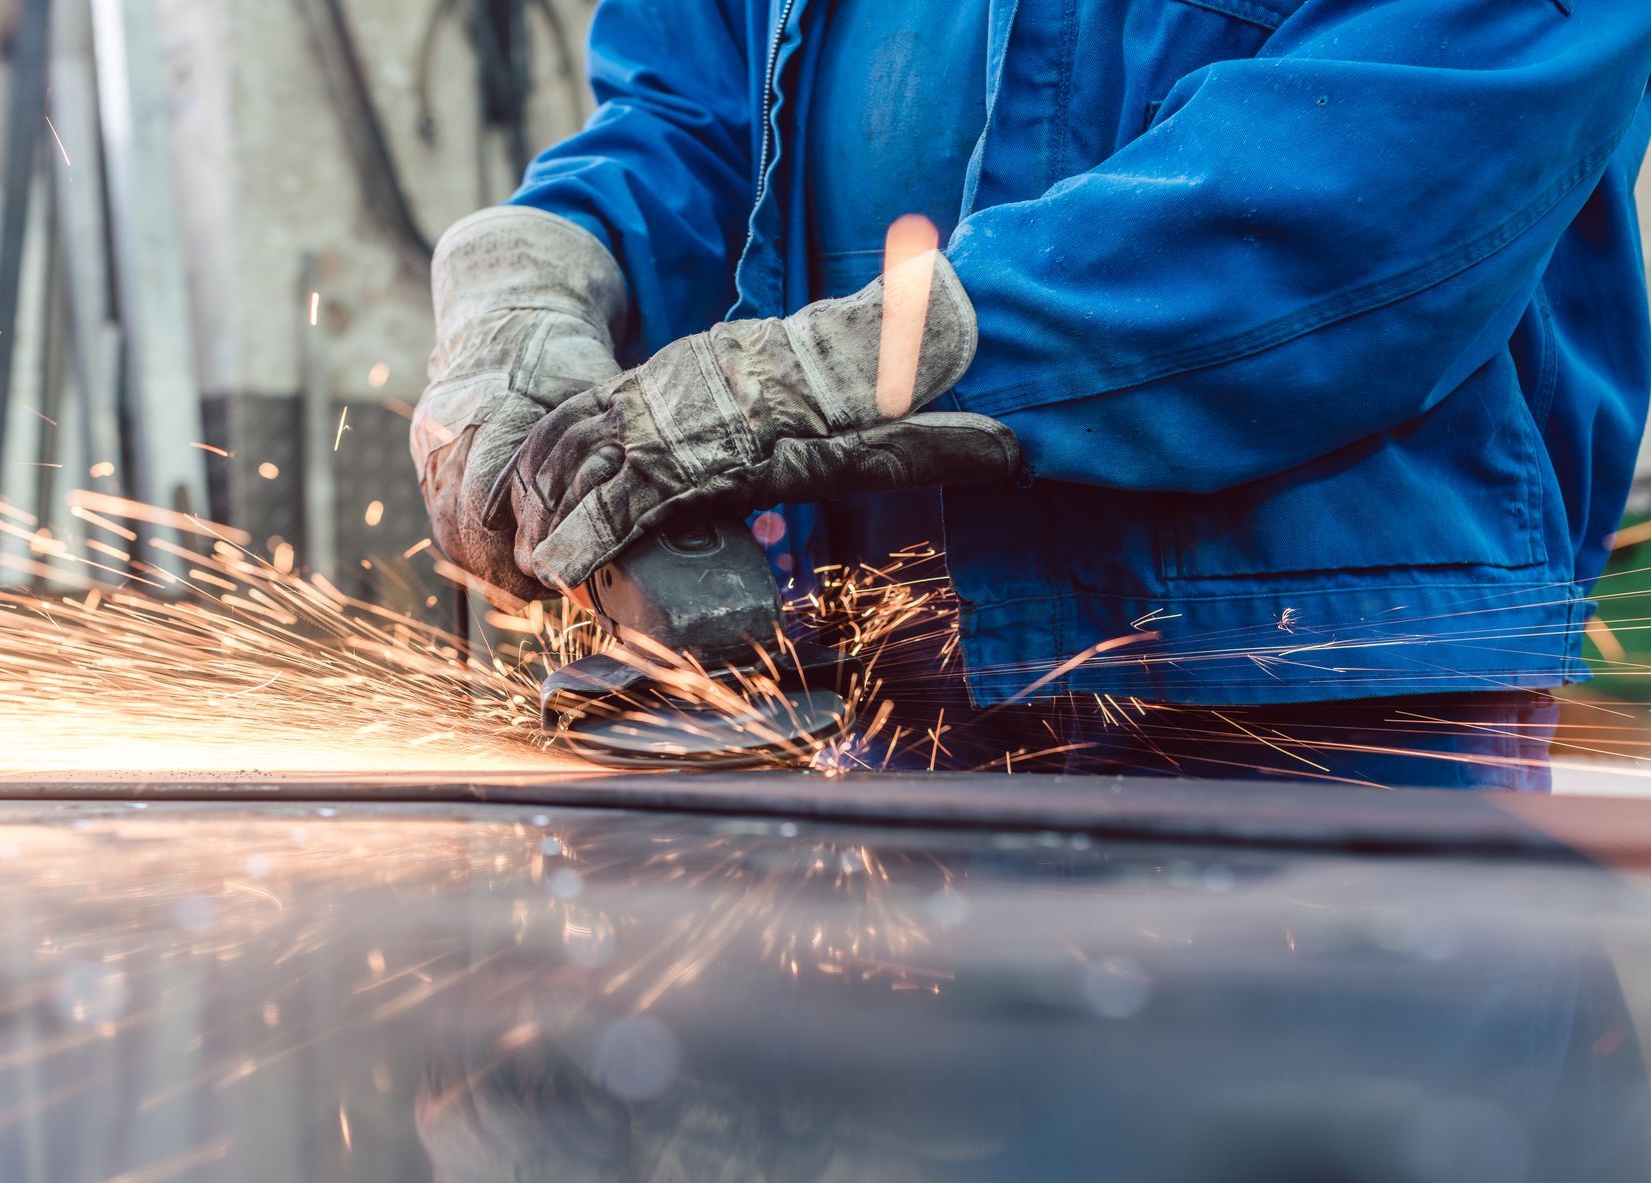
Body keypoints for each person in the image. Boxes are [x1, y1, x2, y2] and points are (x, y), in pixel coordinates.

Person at [410, 0, 1651, 789]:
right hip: (875, 701)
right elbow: (691, 119)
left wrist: (858, 376)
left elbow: (1387, 178)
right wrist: (543, 267)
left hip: (1294, 714)